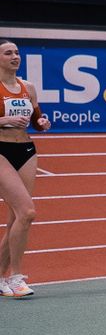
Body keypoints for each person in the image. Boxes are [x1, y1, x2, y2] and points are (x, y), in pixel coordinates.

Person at [0, 40, 52, 298]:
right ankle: (16, 276)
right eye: (8, 53)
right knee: (27, 212)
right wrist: (5, 119)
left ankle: (1, 278)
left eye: (17, 52)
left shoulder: (27, 87)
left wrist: (42, 121)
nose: (14, 56)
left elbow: (36, 119)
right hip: (1, 150)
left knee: (16, 219)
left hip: (26, 150)